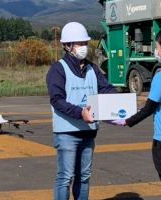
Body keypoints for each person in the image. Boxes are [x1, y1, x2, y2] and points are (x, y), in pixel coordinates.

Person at [46, 22, 118, 200]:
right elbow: (57, 100)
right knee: (65, 177)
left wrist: (121, 102)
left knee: (84, 178)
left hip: (88, 132)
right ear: (67, 46)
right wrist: (80, 112)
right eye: (79, 44)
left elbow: (106, 88)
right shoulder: (57, 69)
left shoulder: (92, 68)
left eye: (85, 43)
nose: (84, 47)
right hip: (67, 133)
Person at [116, 31, 161, 181]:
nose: (156, 51)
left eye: (157, 46)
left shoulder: (160, 77)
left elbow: (149, 108)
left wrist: (128, 120)